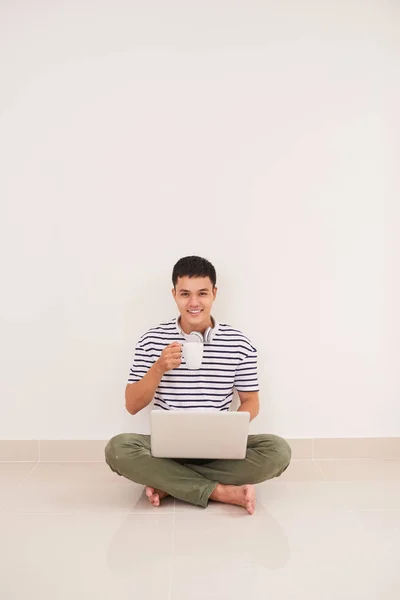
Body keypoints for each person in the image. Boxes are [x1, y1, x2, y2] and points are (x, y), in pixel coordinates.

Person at [105, 256, 291, 514]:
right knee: (118, 449)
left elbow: (251, 400)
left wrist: (231, 431)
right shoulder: (152, 339)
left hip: (218, 448)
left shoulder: (239, 343)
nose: (193, 303)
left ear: (214, 293)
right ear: (174, 295)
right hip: (166, 449)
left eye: (202, 293)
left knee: (278, 451)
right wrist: (159, 368)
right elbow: (132, 405)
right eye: (185, 294)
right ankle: (219, 491)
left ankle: (170, 482)